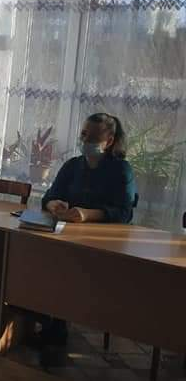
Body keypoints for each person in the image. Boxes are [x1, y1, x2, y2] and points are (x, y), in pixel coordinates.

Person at [33, 112, 136, 345]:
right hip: (66, 237)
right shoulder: (72, 166)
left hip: (100, 244)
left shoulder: (121, 170)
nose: (85, 141)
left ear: (109, 141)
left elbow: (124, 213)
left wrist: (88, 214)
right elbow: (49, 197)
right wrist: (53, 204)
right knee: (37, 258)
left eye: (93, 137)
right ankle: (41, 317)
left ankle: (56, 326)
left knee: (66, 269)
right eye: (83, 135)